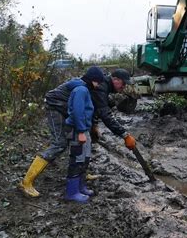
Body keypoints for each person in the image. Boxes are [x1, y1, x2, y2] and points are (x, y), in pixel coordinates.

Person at [19, 68, 136, 198]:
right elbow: (103, 114)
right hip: (56, 107)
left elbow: (92, 107)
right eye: (124, 83)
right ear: (115, 80)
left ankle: (81, 174)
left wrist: (94, 125)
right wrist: (124, 134)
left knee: (85, 142)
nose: (124, 87)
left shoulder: (101, 85)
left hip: (70, 110)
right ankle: (26, 182)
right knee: (59, 143)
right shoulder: (98, 85)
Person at [64, 66, 102, 203]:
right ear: (93, 80)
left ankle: (80, 187)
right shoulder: (81, 90)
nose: (98, 86)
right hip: (76, 129)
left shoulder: (85, 89)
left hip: (83, 129)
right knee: (77, 158)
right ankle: (71, 192)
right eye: (98, 82)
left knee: (85, 158)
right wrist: (80, 131)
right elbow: (77, 112)